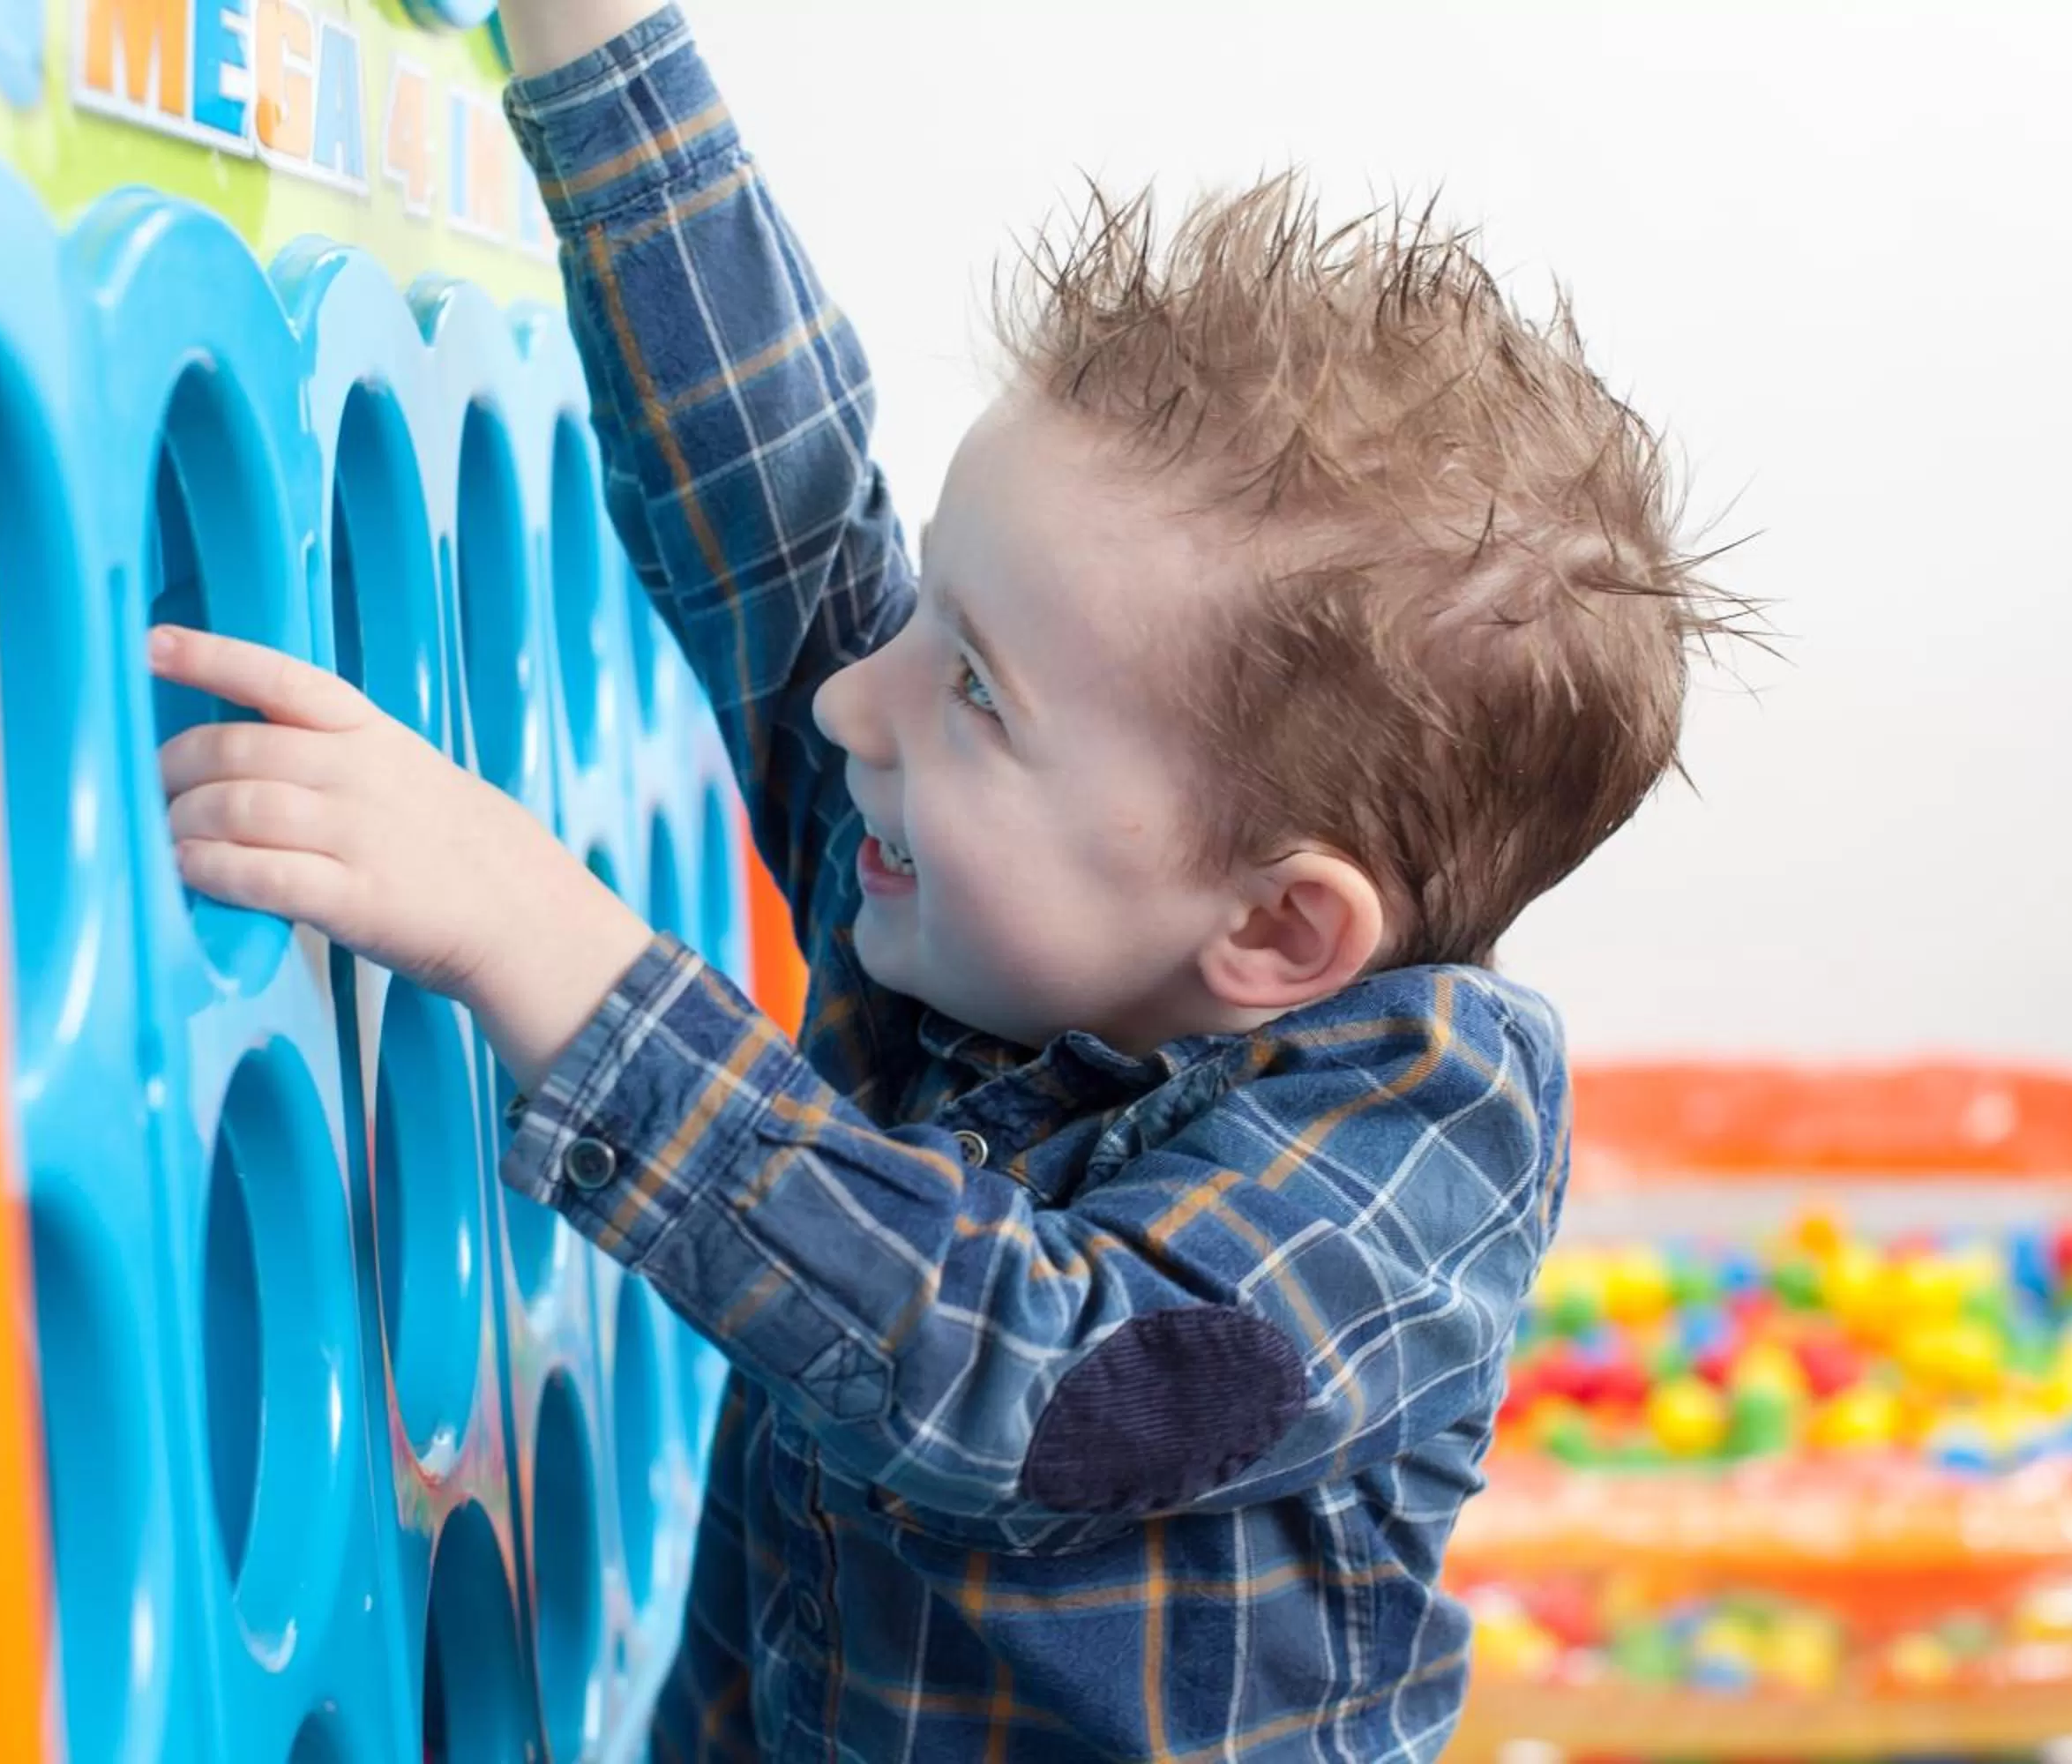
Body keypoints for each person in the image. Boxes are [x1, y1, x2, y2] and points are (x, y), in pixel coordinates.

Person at [147, 1, 1742, 1753]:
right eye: (930, 617)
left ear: (1279, 926)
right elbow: (784, 528)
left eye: (973, 683)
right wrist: (597, 52)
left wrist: (552, 953)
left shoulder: (1424, 1130)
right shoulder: (988, 902)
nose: (856, 699)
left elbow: (1034, 1376)